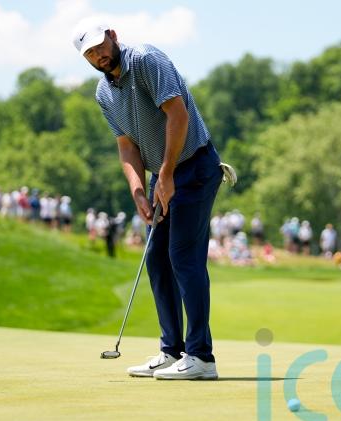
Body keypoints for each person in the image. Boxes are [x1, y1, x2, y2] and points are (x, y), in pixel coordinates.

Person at [73, 19, 231, 380]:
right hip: (164, 174)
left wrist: (166, 173)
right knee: (157, 259)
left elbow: (178, 115)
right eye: (90, 53)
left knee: (182, 256)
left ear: (113, 36)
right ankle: (171, 351)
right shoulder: (103, 92)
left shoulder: (146, 60)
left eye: (100, 46)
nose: (99, 55)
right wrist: (138, 190)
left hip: (194, 166)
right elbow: (127, 146)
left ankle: (201, 357)